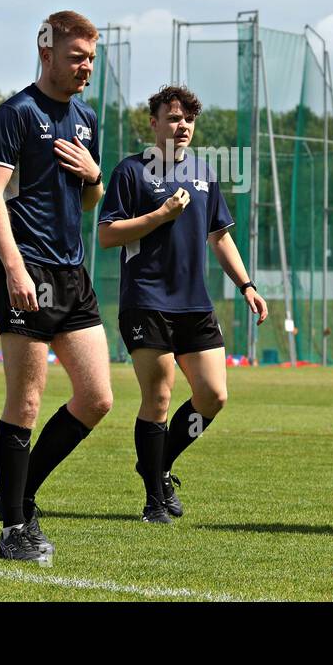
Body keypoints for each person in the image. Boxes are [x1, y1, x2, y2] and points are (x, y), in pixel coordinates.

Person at [98, 85, 268, 522]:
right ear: (153, 123)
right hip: (147, 301)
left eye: (188, 119)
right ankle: (155, 498)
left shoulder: (205, 173)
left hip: (195, 304)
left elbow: (220, 236)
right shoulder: (130, 172)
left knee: (213, 395)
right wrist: (160, 216)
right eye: (173, 118)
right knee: (158, 397)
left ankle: (160, 464)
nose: (182, 125)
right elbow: (107, 234)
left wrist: (246, 284)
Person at [0, 11, 111, 562]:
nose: (86, 68)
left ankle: (18, 494)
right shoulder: (15, 113)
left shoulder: (85, 118)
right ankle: (13, 528)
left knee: (97, 398)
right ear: (47, 53)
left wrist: (94, 176)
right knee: (26, 402)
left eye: (91, 59)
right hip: (26, 269)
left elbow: (89, 202)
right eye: (77, 56)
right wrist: (12, 268)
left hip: (72, 273)